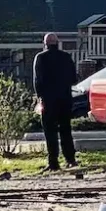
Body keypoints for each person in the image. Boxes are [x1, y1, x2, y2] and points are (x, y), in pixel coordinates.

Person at [33, 33, 78, 171]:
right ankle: (70, 159)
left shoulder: (40, 58)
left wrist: (39, 98)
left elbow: (37, 81)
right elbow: (74, 79)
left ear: (45, 43)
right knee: (66, 130)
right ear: (57, 43)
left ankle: (53, 162)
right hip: (65, 99)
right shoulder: (66, 57)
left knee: (50, 132)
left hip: (48, 100)